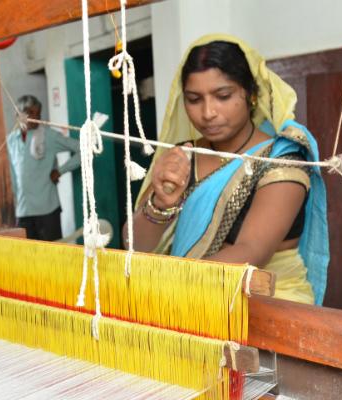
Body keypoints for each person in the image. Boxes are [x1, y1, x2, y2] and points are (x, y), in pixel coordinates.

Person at [127, 34, 330, 305]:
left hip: (267, 307)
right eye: (194, 99)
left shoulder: (282, 160)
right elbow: (134, 244)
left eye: (222, 96)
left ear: (251, 94)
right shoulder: (183, 157)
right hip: (191, 305)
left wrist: (165, 288)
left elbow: (251, 251)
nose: (208, 112)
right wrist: (160, 204)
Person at [7, 95, 79, 241]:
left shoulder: (49, 136)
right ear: (18, 114)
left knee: (52, 255)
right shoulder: (11, 139)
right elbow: (13, 174)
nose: (35, 117)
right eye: (29, 112)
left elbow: (82, 148)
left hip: (47, 209)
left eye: (37, 113)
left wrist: (60, 170)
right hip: (23, 210)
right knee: (28, 257)